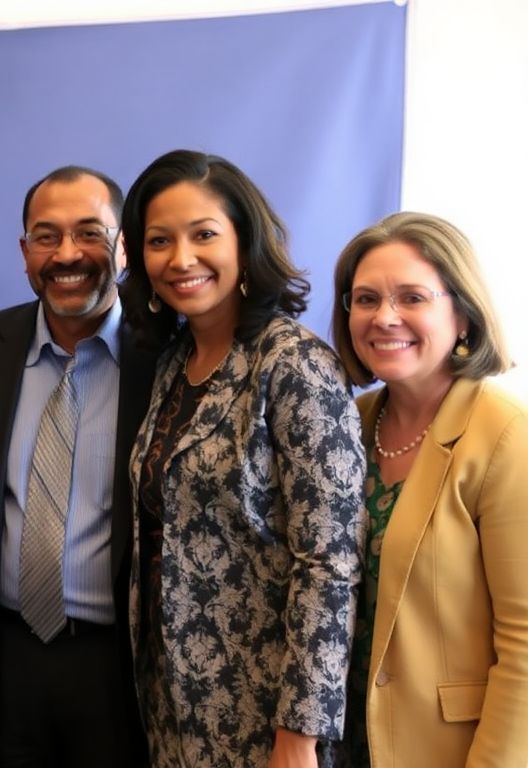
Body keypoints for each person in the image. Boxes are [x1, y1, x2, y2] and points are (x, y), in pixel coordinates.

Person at [119, 150, 366, 768]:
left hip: (266, 707)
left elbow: (330, 562)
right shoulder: (174, 363)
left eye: (204, 234)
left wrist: (300, 732)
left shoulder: (295, 364)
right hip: (172, 696)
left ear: (244, 242)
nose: (181, 259)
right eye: (158, 240)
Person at [0, 165, 152, 767]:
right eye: (47, 236)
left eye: (89, 232)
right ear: (24, 252)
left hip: (121, 668)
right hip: (6, 661)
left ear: (122, 246)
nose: (67, 253)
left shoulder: (169, 358)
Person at [330, 212, 526, 767]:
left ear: (462, 315)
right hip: (339, 746)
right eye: (365, 299)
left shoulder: (507, 435)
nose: (384, 317)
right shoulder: (347, 423)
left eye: (411, 297)